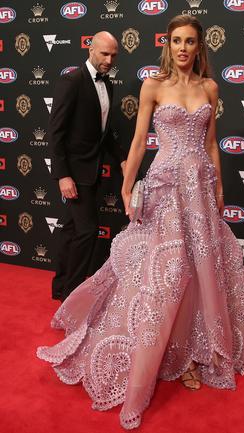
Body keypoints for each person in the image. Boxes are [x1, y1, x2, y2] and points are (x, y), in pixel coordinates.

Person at [37, 16, 244, 429]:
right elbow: (138, 141)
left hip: (201, 190)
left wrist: (221, 190)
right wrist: (128, 182)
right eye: (176, 41)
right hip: (166, 186)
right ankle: (160, 352)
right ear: (167, 45)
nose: (183, 48)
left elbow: (211, 144)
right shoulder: (154, 85)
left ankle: (195, 351)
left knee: (200, 269)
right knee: (168, 272)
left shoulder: (210, 87)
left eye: (190, 41)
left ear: (198, 47)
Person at [49, 31, 126, 302]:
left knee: (71, 230)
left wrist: (123, 159)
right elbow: (56, 133)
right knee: (86, 231)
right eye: (104, 53)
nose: (109, 60)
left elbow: (103, 133)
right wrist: (63, 175)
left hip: (92, 171)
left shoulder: (109, 84)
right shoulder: (72, 81)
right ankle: (72, 295)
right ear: (90, 50)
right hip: (75, 173)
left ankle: (60, 288)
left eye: (113, 55)